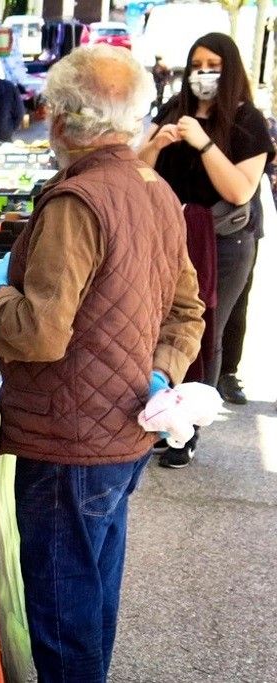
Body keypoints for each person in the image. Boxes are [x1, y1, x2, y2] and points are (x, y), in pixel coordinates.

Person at [0, 45, 205, 682]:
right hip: (125, 430)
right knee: (92, 597)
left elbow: (39, 335)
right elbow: (188, 309)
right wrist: (158, 371)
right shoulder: (153, 188)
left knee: (60, 616)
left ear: (59, 120)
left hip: (67, 443)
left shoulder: (76, 202)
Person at [139, 32, 274, 466]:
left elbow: (239, 189)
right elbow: (135, 173)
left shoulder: (248, 121)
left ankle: (189, 430)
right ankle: (162, 414)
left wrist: (204, 143)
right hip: (170, 238)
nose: (203, 73)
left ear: (230, 68)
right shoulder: (172, 111)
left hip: (225, 241)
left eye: (213, 64)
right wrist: (155, 145)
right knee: (160, 327)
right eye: (196, 64)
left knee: (204, 332)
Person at [218, 115, 277, 405]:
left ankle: (227, 371)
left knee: (236, 305)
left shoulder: (252, 123)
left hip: (242, 227)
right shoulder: (185, 114)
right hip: (193, 223)